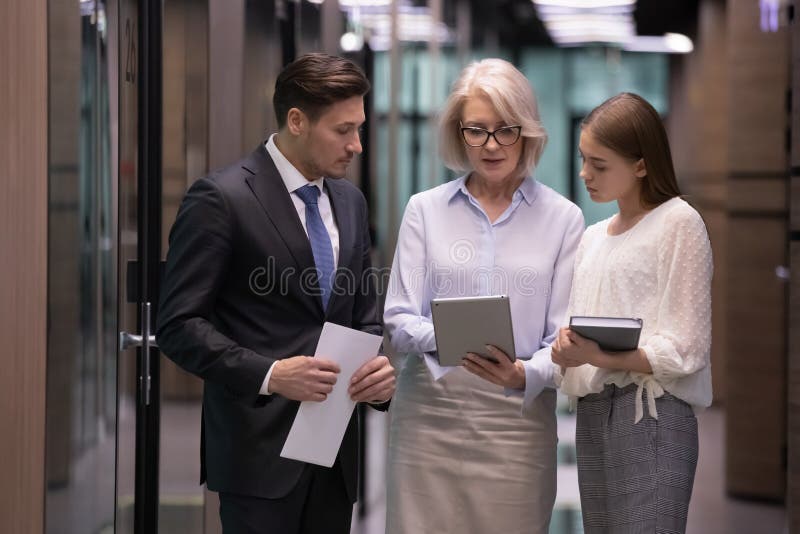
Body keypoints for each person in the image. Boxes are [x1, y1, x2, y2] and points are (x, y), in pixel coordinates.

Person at [156, 52, 395, 534]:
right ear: (296, 121)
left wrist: (376, 370)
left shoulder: (349, 200)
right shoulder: (221, 199)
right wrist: (269, 374)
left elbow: (363, 314)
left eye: (359, 128)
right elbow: (178, 325)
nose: (357, 145)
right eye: (343, 130)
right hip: (256, 452)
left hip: (335, 454)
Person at [383, 58, 584, 534]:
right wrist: (454, 336)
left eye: (505, 130)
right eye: (476, 130)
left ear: (528, 132)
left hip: (516, 420)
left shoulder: (564, 219)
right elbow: (397, 317)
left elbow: (564, 337)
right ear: (459, 132)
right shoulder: (424, 211)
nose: (490, 145)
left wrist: (522, 373)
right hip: (429, 417)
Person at [551, 92, 713, 534]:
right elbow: (581, 329)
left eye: (599, 165)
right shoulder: (593, 236)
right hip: (593, 412)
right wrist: (567, 350)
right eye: (584, 161)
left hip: (653, 414)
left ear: (641, 164)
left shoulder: (679, 222)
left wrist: (598, 356)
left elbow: (686, 349)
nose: (585, 175)